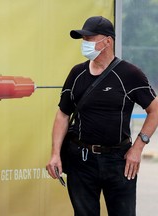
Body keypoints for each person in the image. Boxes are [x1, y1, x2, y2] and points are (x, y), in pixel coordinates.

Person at [46, 16, 158, 216]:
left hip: (119, 160)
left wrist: (137, 148)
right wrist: (55, 154)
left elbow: (155, 110)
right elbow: (63, 114)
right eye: (83, 39)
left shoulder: (130, 74)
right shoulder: (76, 74)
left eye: (89, 39)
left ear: (107, 41)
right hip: (81, 160)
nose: (85, 44)